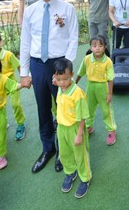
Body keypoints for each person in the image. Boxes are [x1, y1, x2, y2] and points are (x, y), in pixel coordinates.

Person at [20, 0, 79, 174]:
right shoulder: (30, 11)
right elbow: (25, 41)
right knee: (43, 109)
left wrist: (67, 68)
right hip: (38, 65)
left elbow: (73, 38)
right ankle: (48, 148)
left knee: (64, 109)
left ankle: (64, 149)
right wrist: (25, 72)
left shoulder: (67, 8)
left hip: (59, 64)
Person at [52, 58, 92, 199]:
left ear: (72, 75)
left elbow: (81, 117)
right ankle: (70, 172)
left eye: (65, 79)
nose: (62, 83)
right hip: (62, 128)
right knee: (65, 154)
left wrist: (80, 134)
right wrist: (56, 80)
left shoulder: (77, 93)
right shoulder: (60, 86)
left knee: (80, 155)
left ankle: (85, 178)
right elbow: (57, 80)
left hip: (75, 129)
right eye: (59, 79)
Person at [0, 31, 26, 141]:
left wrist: (23, 78)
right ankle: (3, 122)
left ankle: (20, 124)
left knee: (16, 104)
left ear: (1, 42)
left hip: (10, 82)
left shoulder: (8, 55)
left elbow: (18, 66)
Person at [75, 35, 117, 145]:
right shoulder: (87, 59)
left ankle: (111, 130)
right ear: (90, 47)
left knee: (106, 110)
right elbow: (80, 72)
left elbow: (110, 79)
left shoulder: (107, 61)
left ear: (104, 47)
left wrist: (110, 94)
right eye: (94, 46)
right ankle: (88, 127)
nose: (97, 48)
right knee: (88, 108)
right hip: (90, 87)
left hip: (102, 88)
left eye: (100, 45)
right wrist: (75, 83)